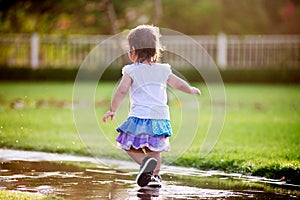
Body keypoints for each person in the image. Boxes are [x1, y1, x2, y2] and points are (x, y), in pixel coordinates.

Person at [102, 25, 201, 187]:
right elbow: (178, 84)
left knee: (128, 144)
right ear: (155, 50)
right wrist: (190, 89)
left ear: (133, 51)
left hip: (139, 117)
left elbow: (121, 91)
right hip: (159, 118)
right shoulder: (163, 69)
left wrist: (112, 109)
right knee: (155, 150)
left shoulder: (131, 70)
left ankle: (145, 164)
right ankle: (154, 177)